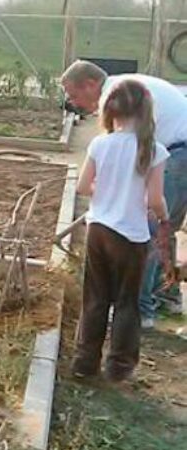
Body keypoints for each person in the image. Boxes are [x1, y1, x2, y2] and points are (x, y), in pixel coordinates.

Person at [61, 60, 187, 327]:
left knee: (148, 231)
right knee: (165, 228)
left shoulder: (115, 96)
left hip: (178, 155)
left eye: (74, 95)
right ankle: (167, 298)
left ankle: (141, 312)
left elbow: (115, 157)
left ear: (91, 84)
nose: (74, 102)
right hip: (180, 152)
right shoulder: (126, 85)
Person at [72, 80, 171, 382]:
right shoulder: (153, 150)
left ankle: (84, 363)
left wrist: (105, 190)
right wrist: (164, 218)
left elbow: (82, 186)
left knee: (95, 297)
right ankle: (119, 366)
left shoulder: (101, 143)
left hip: (98, 229)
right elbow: (154, 200)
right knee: (127, 301)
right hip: (130, 236)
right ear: (145, 111)